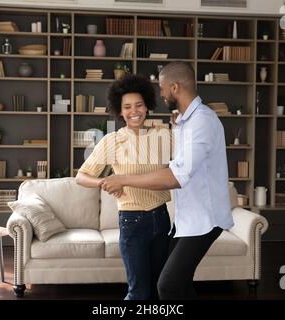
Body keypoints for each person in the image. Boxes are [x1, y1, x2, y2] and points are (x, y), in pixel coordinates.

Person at [100, 61, 234, 300]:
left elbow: (175, 176)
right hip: (188, 219)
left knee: (168, 286)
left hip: (205, 219)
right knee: (178, 285)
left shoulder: (202, 121)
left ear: (174, 87)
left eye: (162, 89)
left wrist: (123, 179)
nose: (160, 94)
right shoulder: (185, 122)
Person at [75, 74, 172, 300]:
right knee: (138, 293)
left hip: (161, 218)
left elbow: (180, 170)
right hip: (132, 221)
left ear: (147, 106)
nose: (134, 111)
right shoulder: (112, 141)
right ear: (120, 111)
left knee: (159, 289)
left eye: (139, 104)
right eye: (127, 107)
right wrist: (105, 182)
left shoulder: (164, 135)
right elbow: (81, 176)